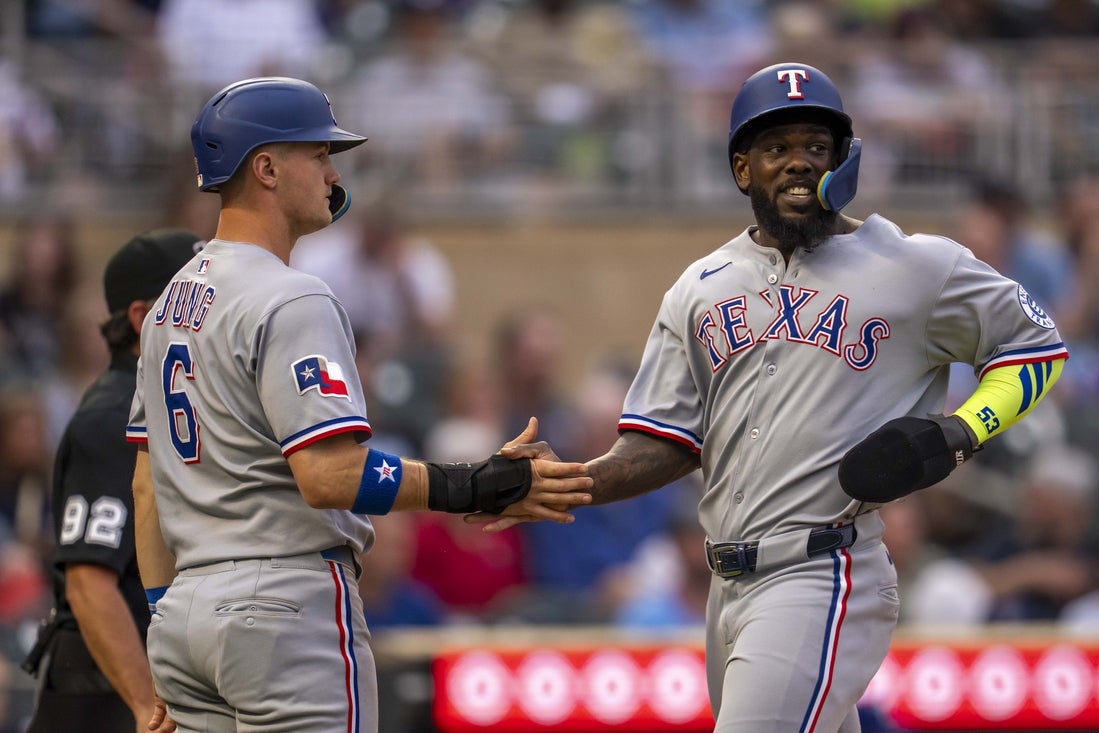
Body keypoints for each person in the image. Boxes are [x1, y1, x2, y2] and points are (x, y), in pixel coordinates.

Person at [483, 62, 1070, 732]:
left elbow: (1037, 346)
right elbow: (665, 445)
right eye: (775, 147)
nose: (798, 161)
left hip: (822, 568)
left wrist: (963, 430)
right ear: (742, 169)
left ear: (843, 160)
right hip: (726, 587)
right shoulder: (700, 287)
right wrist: (565, 482)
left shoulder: (915, 265)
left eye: (816, 146)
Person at [126, 76, 592, 733]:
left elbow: (146, 485)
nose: (332, 173)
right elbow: (330, 476)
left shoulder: (168, 306)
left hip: (184, 615)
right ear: (266, 168)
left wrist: (163, 612)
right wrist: (471, 484)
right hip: (282, 606)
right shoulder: (293, 296)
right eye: (318, 155)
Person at [22, 228, 202, 733]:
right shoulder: (111, 418)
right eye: (191, 301)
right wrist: (146, 709)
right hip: (103, 698)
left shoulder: (171, 403)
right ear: (143, 318)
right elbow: (90, 582)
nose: (210, 314)